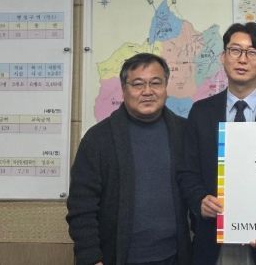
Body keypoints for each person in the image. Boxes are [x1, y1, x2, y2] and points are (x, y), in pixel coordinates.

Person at [177, 22, 256, 265]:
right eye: (235, 50)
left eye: (252, 52)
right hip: (214, 239)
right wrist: (200, 200)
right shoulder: (201, 112)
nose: (242, 59)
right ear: (223, 57)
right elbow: (187, 171)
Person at [66, 53, 190, 265]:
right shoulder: (98, 139)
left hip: (173, 257)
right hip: (115, 258)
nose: (147, 91)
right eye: (138, 84)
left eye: (156, 83)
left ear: (166, 86)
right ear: (124, 89)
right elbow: (81, 206)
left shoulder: (183, 132)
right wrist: (91, 258)